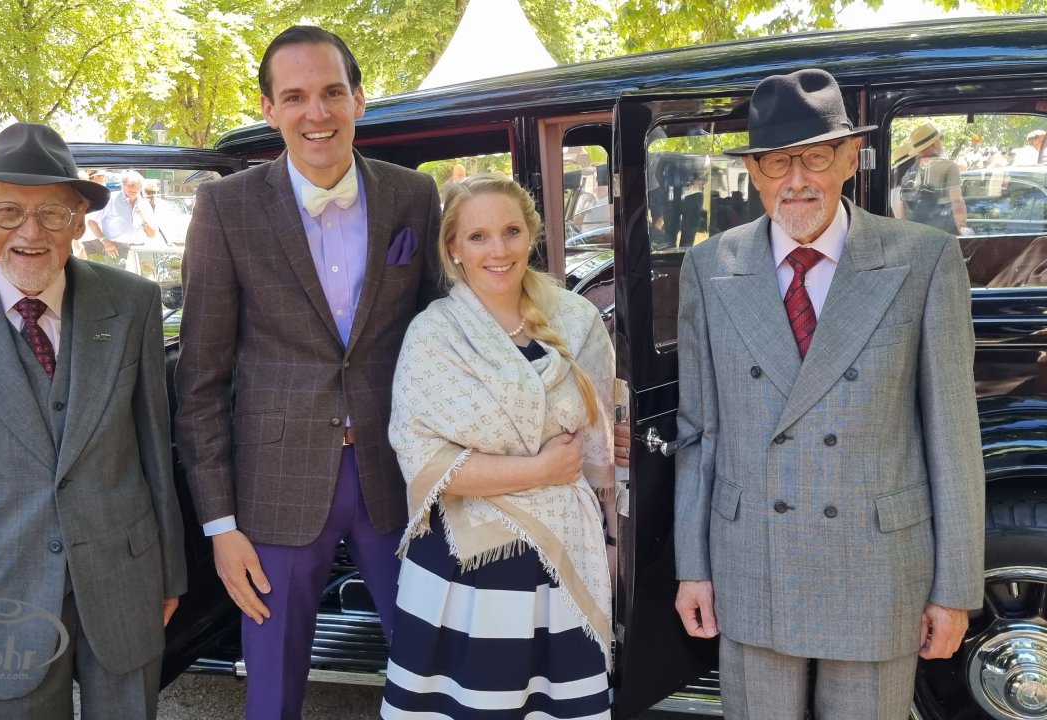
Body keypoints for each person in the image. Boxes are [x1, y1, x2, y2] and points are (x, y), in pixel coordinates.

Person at [673, 68, 984, 719]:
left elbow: (953, 436)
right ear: (753, 170)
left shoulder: (923, 259)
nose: (797, 180)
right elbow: (699, 431)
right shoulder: (709, 265)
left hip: (876, 566)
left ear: (849, 157)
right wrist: (691, 566)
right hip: (751, 560)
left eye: (816, 157)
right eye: (777, 161)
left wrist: (955, 589)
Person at [174, 25, 444, 719]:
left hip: (397, 472)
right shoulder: (226, 207)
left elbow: (439, 338)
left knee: (434, 665)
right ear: (269, 109)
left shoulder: (414, 195)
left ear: (359, 98)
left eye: (331, 92)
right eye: (294, 97)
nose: (316, 113)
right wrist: (220, 525)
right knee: (271, 689)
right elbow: (201, 380)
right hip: (274, 487)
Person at [0, 122, 187, 719]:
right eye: (8, 211)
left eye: (52, 213)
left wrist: (169, 572)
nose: (30, 232)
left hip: (124, 578)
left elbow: (154, 446)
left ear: (80, 221)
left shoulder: (133, 302)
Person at [382, 174, 615, 718]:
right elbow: (423, 461)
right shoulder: (434, 335)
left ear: (531, 234)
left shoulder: (577, 319)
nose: (498, 250)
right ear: (453, 249)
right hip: (466, 566)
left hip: (564, 554)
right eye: (478, 236)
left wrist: (610, 534)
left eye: (511, 231)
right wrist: (542, 469)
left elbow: (599, 443)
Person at [893, 122, 969, 236]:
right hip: (944, 235)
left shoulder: (909, 173)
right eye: (941, 139)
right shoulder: (949, 167)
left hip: (917, 236)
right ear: (935, 143)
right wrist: (962, 230)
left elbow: (902, 212)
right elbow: (957, 204)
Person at [86, 170, 157, 260]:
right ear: (123, 184)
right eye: (130, 185)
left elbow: (152, 235)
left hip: (140, 250)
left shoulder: (144, 204)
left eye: (138, 186)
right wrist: (105, 241)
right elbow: (91, 222)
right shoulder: (110, 199)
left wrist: (143, 220)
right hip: (115, 249)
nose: (134, 189)